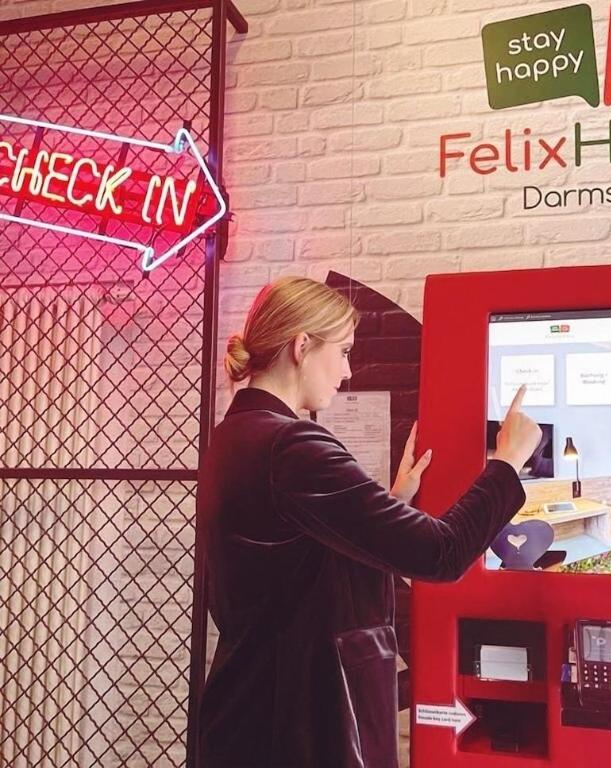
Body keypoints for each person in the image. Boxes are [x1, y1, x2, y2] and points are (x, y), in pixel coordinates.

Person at [197, 276, 541, 768]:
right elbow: (441, 554)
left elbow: (290, 564)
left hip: (251, 712)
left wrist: (393, 503)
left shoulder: (235, 436)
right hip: (301, 727)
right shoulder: (293, 447)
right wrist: (507, 464)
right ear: (301, 346)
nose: (347, 370)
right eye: (343, 351)